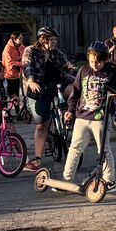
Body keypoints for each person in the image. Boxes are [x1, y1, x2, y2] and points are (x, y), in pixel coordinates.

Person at [62, 42, 116, 191]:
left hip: (100, 118)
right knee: (74, 148)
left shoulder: (110, 73)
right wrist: (70, 110)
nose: (95, 65)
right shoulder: (83, 71)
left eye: (98, 62)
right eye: (92, 61)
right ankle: (67, 179)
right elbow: (75, 93)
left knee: (104, 151)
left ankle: (109, 181)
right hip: (82, 116)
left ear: (105, 59)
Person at [22, 26, 76, 172]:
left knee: (75, 92)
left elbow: (68, 66)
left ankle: (69, 119)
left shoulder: (57, 53)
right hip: (38, 88)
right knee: (42, 124)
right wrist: (31, 80)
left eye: (55, 40)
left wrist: (78, 73)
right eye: (51, 40)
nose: (54, 42)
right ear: (42, 39)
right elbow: (26, 66)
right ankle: (37, 159)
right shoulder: (31, 50)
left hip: (56, 84)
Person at [1, 31, 25, 98]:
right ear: (14, 39)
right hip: (8, 75)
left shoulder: (22, 47)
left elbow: (25, 58)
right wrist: (21, 63)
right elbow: (9, 62)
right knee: (8, 95)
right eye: (20, 38)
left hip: (18, 75)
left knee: (17, 95)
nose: (22, 40)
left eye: (22, 38)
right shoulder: (7, 48)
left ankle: (17, 105)